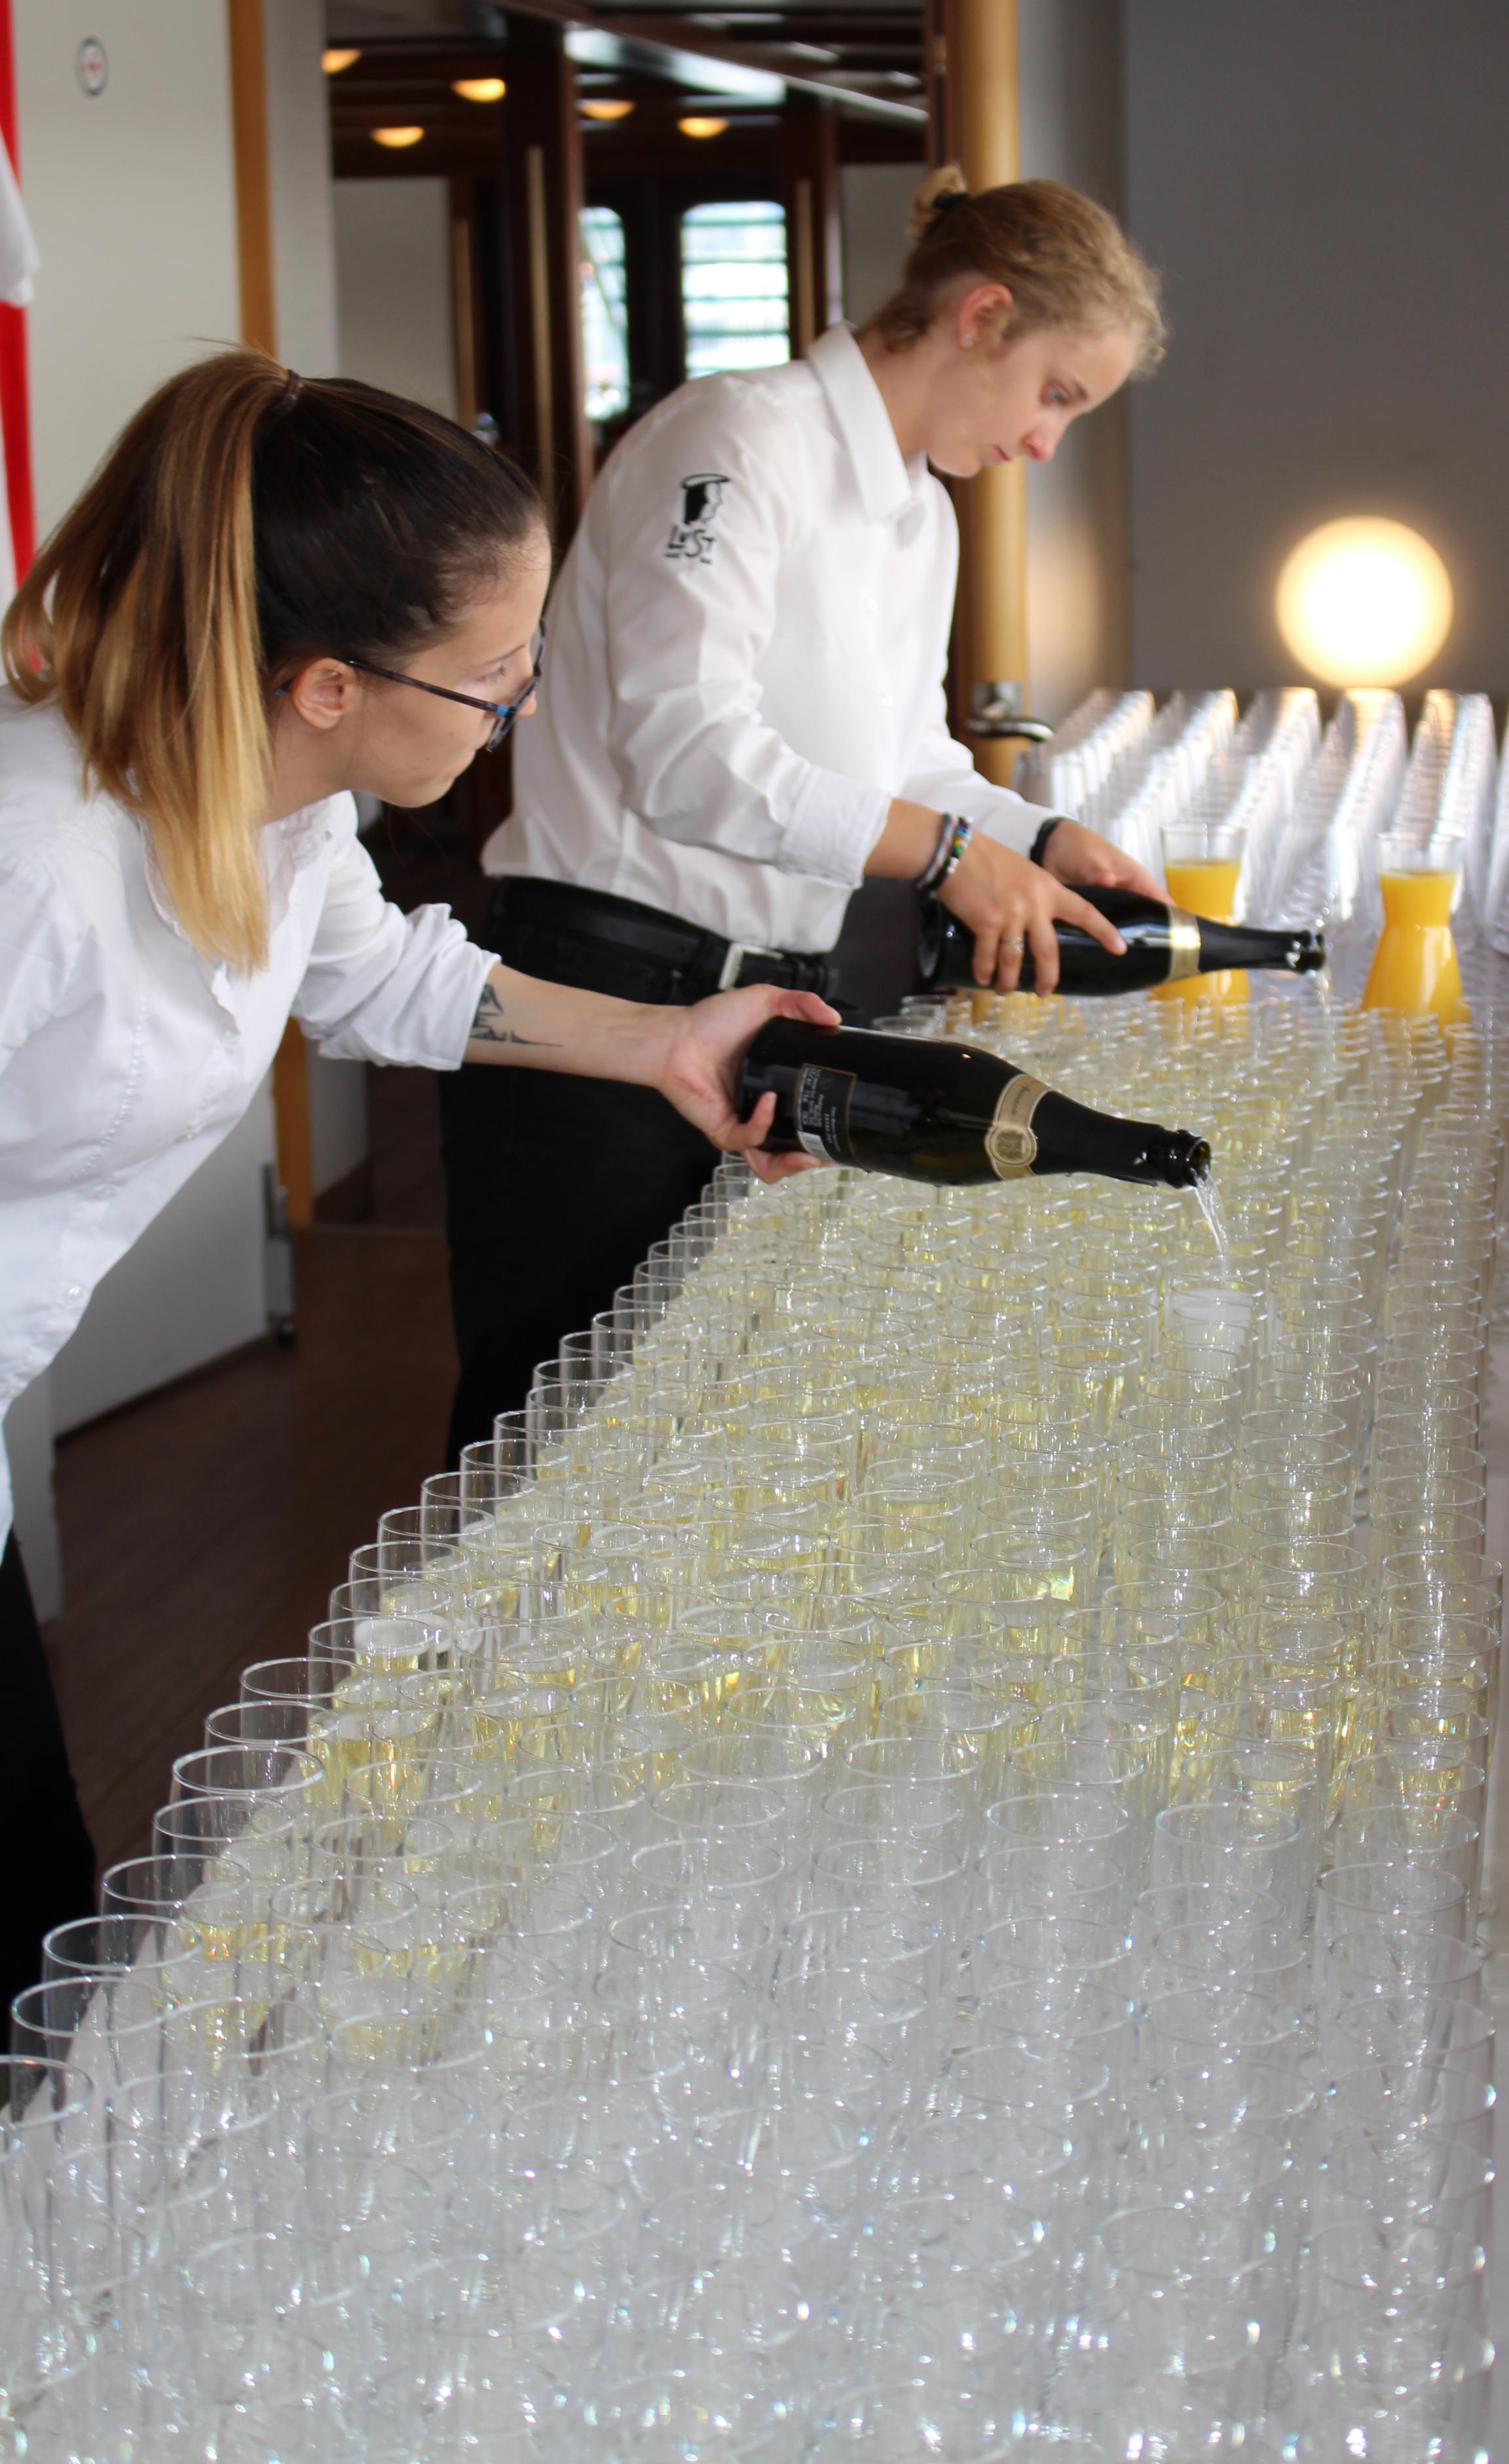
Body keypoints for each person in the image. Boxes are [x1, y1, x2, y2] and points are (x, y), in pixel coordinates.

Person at [0, 352, 832, 2013]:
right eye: (491, 679)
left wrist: (671, 1042)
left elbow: (385, 978)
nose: (518, 705)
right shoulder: (39, 862)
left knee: (35, 1918)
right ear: (328, 683)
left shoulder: (280, 797)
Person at [441, 166, 1168, 1451]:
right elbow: (683, 752)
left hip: (770, 1010)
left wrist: (1042, 843)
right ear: (981, 316)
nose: (1046, 443)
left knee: (701, 1429)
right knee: (545, 1442)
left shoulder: (921, 515)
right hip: (597, 986)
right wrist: (947, 855)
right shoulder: (735, 438)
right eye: (1056, 393)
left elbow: (905, 759)